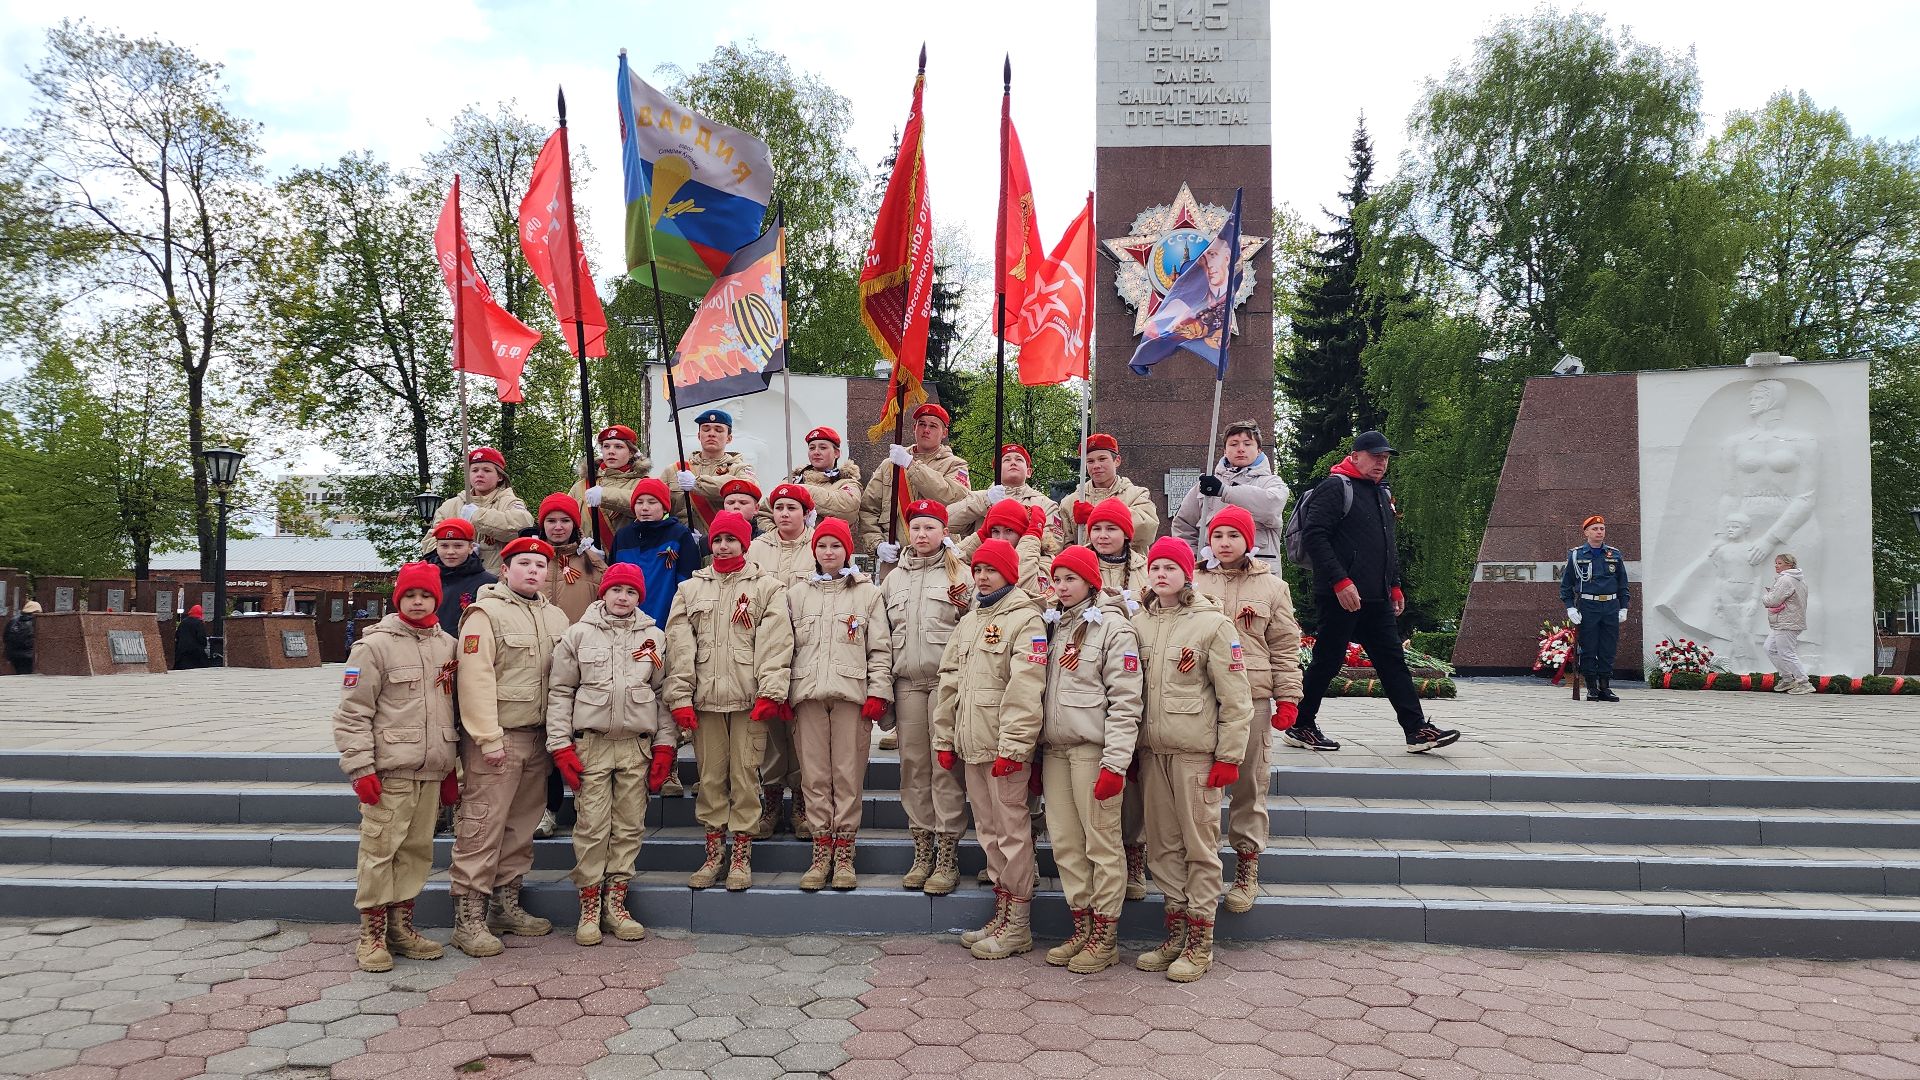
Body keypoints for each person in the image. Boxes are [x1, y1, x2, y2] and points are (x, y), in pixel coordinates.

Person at [1130, 537, 1251, 983]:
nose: (1161, 574)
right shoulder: (1137, 623)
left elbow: (1235, 699)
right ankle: (1175, 933)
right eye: (1155, 567)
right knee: (1162, 846)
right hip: (1152, 752)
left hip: (1196, 755)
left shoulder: (1213, 626)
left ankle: (1201, 942)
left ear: (1187, 574)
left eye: (1170, 567)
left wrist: (1229, 756)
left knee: (1199, 848)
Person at [1293, 431, 1460, 753]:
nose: (1381, 462)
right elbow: (1315, 537)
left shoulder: (1381, 493)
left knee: (1393, 662)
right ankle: (1301, 724)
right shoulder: (1335, 487)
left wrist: (1394, 585)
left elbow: (1387, 547)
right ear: (1355, 456)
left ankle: (1416, 729)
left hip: (1376, 597)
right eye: (1375, 456)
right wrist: (1340, 581)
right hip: (1340, 595)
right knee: (1327, 662)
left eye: (1385, 458)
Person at [331, 563, 460, 972]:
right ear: (398, 599)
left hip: (432, 769)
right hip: (391, 771)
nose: (417, 602)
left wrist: (452, 770)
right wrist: (360, 768)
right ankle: (371, 933)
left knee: (417, 852)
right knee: (379, 850)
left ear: (436, 599)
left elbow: (453, 710)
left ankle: (401, 927)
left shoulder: (449, 646)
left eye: (424, 595)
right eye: (409, 595)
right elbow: (353, 713)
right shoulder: (373, 647)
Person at [447, 536, 571, 957]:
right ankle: (468, 919)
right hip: (497, 739)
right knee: (482, 827)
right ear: (505, 568)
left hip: (539, 739)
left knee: (521, 827)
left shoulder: (556, 617)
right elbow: (474, 678)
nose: (534, 571)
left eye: (540, 565)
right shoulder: (485, 614)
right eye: (525, 564)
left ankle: (506, 906)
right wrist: (486, 737)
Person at [544, 562, 677, 946]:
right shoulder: (578, 635)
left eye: (631, 592)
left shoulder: (655, 636)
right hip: (592, 745)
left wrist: (665, 745)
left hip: (635, 746)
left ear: (640, 597)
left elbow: (662, 695)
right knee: (592, 824)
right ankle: (589, 903)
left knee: (630, 824)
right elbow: (560, 693)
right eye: (616, 590)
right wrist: (560, 745)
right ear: (604, 593)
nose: (623, 598)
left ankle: (616, 902)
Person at [664, 510, 793, 892]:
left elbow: (776, 643)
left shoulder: (767, 588)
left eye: (731, 540)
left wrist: (770, 691)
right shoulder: (690, 589)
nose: (723, 546)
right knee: (710, 779)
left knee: (745, 777)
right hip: (705, 700)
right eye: (717, 539)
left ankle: (741, 855)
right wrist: (680, 696)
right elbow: (679, 646)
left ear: (745, 543)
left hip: (747, 699)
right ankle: (713, 852)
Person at [935, 538, 1048, 961]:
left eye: (990, 570)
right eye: (977, 569)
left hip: (1003, 748)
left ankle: (1018, 924)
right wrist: (944, 738)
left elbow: (1025, 689)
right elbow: (949, 681)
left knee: (1012, 833)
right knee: (988, 832)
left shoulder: (1025, 620)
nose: (981, 577)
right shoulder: (970, 619)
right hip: (972, 743)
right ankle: (1002, 914)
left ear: (1010, 574)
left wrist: (1015, 747)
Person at [1036, 546, 1142, 974]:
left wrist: (1115, 764)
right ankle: (1080, 923)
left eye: (1070, 580)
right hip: (1053, 750)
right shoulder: (1050, 624)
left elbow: (1126, 700)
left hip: (1090, 750)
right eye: (1056, 579)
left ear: (1090, 582)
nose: (1061, 588)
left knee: (1101, 842)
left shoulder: (1113, 628)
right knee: (1065, 842)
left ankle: (1105, 933)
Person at [1194, 506, 1303, 913]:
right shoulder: (1193, 580)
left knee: (1248, 785)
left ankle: (1245, 867)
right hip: (1201, 695)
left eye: (1232, 536)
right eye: (1217, 535)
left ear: (1248, 541)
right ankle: (1202, 867)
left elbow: (1285, 646)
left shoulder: (1273, 588)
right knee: (1201, 785)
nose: (1224, 543)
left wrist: (1288, 697)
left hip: (1252, 695)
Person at [785, 518, 892, 891]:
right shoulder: (797, 594)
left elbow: (879, 649)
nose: (828, 553)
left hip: (851, 696)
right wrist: (781, 691)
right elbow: (785, 648)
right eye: (821, 546)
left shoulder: (867, 593)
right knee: (814, 776)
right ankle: (820, 850)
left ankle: (844, 851)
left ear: (848, 550)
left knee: (847, 775)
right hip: (808, 694)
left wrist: (878, 692)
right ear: (813, 551)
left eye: (835, 546)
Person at [881, 499, 972, 895]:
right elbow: (881, 636)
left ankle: (948, 852)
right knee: (913, 767)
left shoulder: (961, 576)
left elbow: (972, 631)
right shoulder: (892, 579)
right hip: (906, 685)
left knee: (944, 765)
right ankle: (922, 849)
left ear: (943, 533)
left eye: (929, 528)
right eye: (915, 528)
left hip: (945, 682)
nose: (920, 535)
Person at [746, 482, 816, 841]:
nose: (785, 514)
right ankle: (771, 801)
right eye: (779, 508)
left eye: (792, 508)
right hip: (767, 648)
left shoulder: (819, 546)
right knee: (772, 729)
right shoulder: (757, 547)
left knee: (802, 729)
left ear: (806, 513)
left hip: (807, 648)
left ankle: (803, 804)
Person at [859, 402, 972, 556]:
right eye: (922, 424)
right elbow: (868, 510)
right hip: (897, 558)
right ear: (914, 428)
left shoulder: (955, 465)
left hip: (940, 556)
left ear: (944, 433)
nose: (926, 430)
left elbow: (955, 498)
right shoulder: (889, 466)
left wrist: (911, 465)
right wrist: (877, 545)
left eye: (933, 426)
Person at [1171, 420, 1290, 565]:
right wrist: (1194, 559)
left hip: (1258, 570)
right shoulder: (1204, 487)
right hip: (1212, 571)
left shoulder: (1272, 483)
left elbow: (1270, 507)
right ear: (1225, 451)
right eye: (1233, 444)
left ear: (1259, 449)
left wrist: (1224, 491)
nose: (1240, 449)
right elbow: (1183, 525)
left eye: (1247, 444)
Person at [422, 447, 534, 573]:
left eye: (487, 470)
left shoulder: (510, 502)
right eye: (474, 470)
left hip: (497, 584)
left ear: (500, 477)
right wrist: (459, 552)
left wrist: (477, 516)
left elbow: (522, 526)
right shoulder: (450, 506)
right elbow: (430, 542)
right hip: (457, 580)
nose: (479, 474)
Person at [1559, 515, 1632, 703]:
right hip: (1588, 606)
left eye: (1602, 528)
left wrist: (1623, 607)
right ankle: (1591, 687)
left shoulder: (1614, 554)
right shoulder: (1576, 555)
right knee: (1589, 647)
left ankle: (1605, 687)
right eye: (1595, 529)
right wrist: (1570, 608)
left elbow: (1622, 584)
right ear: (1586, 532)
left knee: (1608, 647)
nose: (1599, 532)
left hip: (1610, 605)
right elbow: (1566, 585)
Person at [1050, 434, 1159, 557]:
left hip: (1129, 571)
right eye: (1090, 461)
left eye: (1102, 459)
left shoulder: (1137, 494)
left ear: (1117, 461)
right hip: (1088, 572)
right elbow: (1063, 544)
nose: (1096, 465)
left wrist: (1096, 514)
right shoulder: (1071, 502)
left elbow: (1147, 530)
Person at [948, 444, 1060, 554]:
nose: (1013, 462)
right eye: (1006, 460)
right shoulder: (978, 497)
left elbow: (1055, 543)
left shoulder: (1045, 503)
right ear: (996, 470)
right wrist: (986, 500)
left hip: (1025, 567)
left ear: (1029, 472)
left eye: (1019, 460)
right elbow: (948, 521)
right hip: (983, 567)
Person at [663, 409, 758, 539]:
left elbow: (744, 487)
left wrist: (696, 484)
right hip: (682, 545)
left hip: (724, 545)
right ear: (699, 436)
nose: (711, 434)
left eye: (718, 430)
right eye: (706, 429)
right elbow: (655, 504)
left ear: (729, 438)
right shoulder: (674, 470)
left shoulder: (741, 469)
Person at [763, 426, 863, 534]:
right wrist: (776, 536)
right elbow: (764, 512)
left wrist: (797, 491)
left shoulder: (846, 482)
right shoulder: (792, 480)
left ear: (837, 453)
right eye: (812, 448)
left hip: (825, 548)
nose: (816, 452)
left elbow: (846, 508)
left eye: (823, 448)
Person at [569, 424, 651, 545]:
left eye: (618, 447)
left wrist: (604, 495)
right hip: (585, 557)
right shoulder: (581, 485)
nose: (611, 451)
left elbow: (644, 505)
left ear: (631, 452)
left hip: (625, 558)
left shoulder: (643, 483)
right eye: (606, 446)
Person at [533, 493, 607, 625]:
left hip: (579, 642)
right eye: (551, 521)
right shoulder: (526, 561)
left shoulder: (595, 565)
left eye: (565, 520)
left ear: (574, 524)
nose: (558, 527)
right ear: (542, 524)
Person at [424, 519, 498, 635]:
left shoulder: (488, 583)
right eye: (444, 546)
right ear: (436, 547)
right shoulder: (425, 579)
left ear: (470, 547)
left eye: (458, 546)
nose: (450, 552)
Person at [1762, 552, 1812, 695]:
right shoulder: (1799, 580)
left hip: (1787, 621)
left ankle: (1803, 682)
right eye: (1776, 563)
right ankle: (1787, 679)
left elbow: (1772, 601)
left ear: (1789, 565)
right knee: (1769, 648)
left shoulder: (1785, 580)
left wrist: (1766, 597)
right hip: (1787, 621)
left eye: (1779, 563)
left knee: (1787, 653)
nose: (1776, 566)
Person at [5, 600, 39, 674]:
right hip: (28, 656)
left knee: (19, 674)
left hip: (13, 655)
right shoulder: (35, 622)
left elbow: (5, 637)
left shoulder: (13, 620)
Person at [175, 604, 210, 670]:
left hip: (182, 653)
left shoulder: (183, 622)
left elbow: (177, 635)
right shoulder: (199, 623)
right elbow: (201, 637)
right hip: (196, 654)